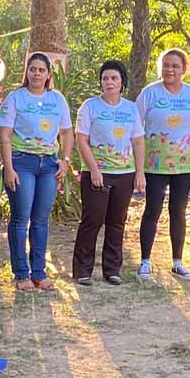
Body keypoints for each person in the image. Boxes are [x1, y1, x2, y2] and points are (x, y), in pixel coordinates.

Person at [0, 52, 74, 292]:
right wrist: (9, 168)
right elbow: (5, 136)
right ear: (26, 72)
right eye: (33, 69)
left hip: (49, 165)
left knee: (41, 220)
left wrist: (65, 160)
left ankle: (39, 272)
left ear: (49, 74)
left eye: (41, 70)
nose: (37, 74)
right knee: (21, 219)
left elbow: (67, 132)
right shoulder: (15, 98)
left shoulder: (57, 99)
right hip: (22, 163)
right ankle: (21, 273)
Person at [72, 60, 146, 286]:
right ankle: (82, 270)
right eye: (105, 78)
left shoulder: (130, 108)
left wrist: (140, 173)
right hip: (97, 173)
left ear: (122, 82)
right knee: (92, 220)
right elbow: (81, 140)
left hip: (124, 173)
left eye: (114, 78)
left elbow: (138, 142)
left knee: (117, 222)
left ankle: (112, 270)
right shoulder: (90, 106)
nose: (109, 82)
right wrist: (94, 170)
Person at [135, 48, 190, 281]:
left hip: (184, 164)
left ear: (184, 69)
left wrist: (179, 145)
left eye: (175, 66)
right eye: (166, 65)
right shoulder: (149, 93)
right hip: (155, 164)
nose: (170, 70)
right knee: (152, 210)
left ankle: (177, 262)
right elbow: (136, 126)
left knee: (179, 211)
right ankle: (145, 261)